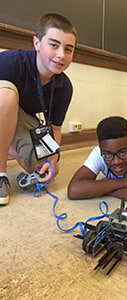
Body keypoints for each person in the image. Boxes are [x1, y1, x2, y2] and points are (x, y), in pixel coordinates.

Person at [0, 13, 77, 205]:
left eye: (68, 49)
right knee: (6, 95)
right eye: (54, 45)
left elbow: (56, 129)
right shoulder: (10, 62)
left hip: (20, 121)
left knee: (50, 168)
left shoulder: (64, 87)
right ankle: (1, 173)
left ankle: (9, 145)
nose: (61, 55)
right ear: (36, 43)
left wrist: (52, 161)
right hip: (2, 107)